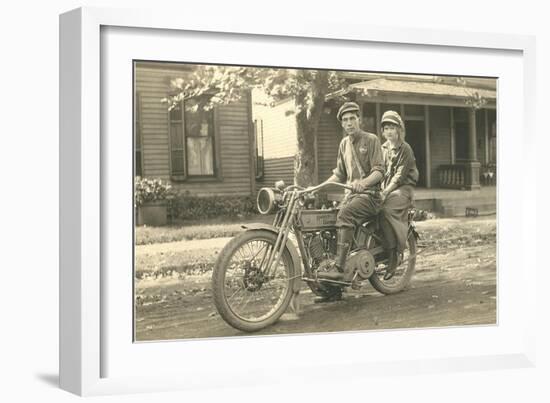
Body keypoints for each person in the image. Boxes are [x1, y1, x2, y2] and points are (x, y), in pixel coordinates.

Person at [316, 102, 385, 294]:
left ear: (359, 120)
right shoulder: (344, 144)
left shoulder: (371, 140)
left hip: (371, 196)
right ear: (342, 124)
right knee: (330, 219)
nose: (349, 123)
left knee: (345, 215)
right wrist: (318, 186)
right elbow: (339, 173)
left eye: (352, 118)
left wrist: (363, 183)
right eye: (345, 120)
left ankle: (339, 269)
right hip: (352, 197)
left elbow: (379, 171)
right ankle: (334, 286)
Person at [378, 110, 419, 280]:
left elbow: (399, 176)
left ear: (399, 130)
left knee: (385, 210)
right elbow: (378, 170)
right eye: (386, 128)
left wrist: (385, 192)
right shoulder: (383, 148)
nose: (389, 131)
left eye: (392, 128)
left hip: (403, 189)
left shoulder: (405, 149)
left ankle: (394, 254)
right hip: (388, 188)